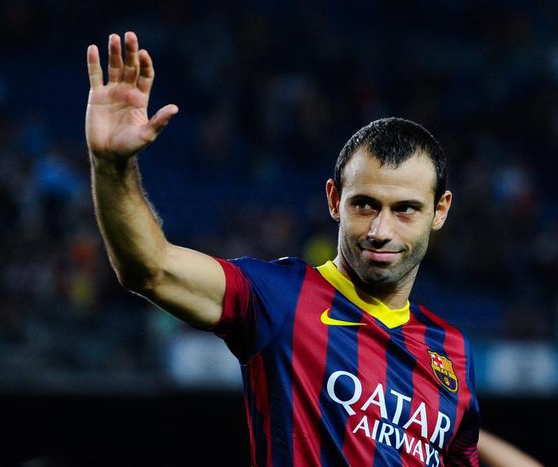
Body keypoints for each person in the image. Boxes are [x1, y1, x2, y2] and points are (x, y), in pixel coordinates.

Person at [86, 31, 480, 466]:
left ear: (440, 211)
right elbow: (150, 268)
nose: (380, 230)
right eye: (365, 205)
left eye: (405, 209)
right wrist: (112, 166)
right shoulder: (280, 298)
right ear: (334, 200)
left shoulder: (452, 352)